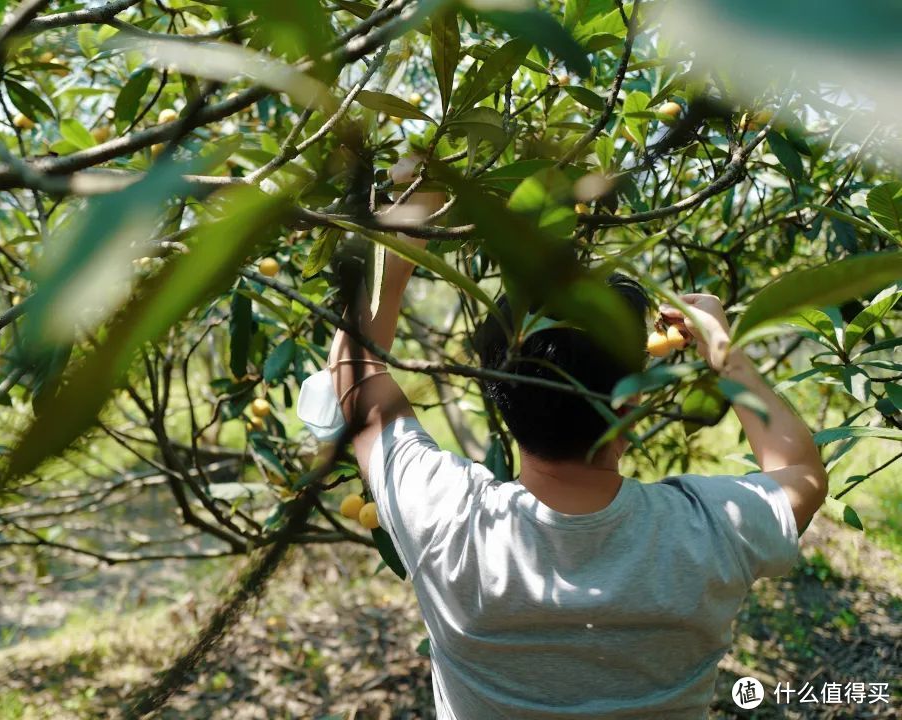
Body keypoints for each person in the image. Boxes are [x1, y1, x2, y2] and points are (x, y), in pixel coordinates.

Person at [297, 158, 828, 718]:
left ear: (497, 391)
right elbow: (803, 476)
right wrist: (725, 352)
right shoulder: (712, 529)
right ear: (634, 397)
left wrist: (411, 225)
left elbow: (355, 372)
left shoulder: (446, 519)